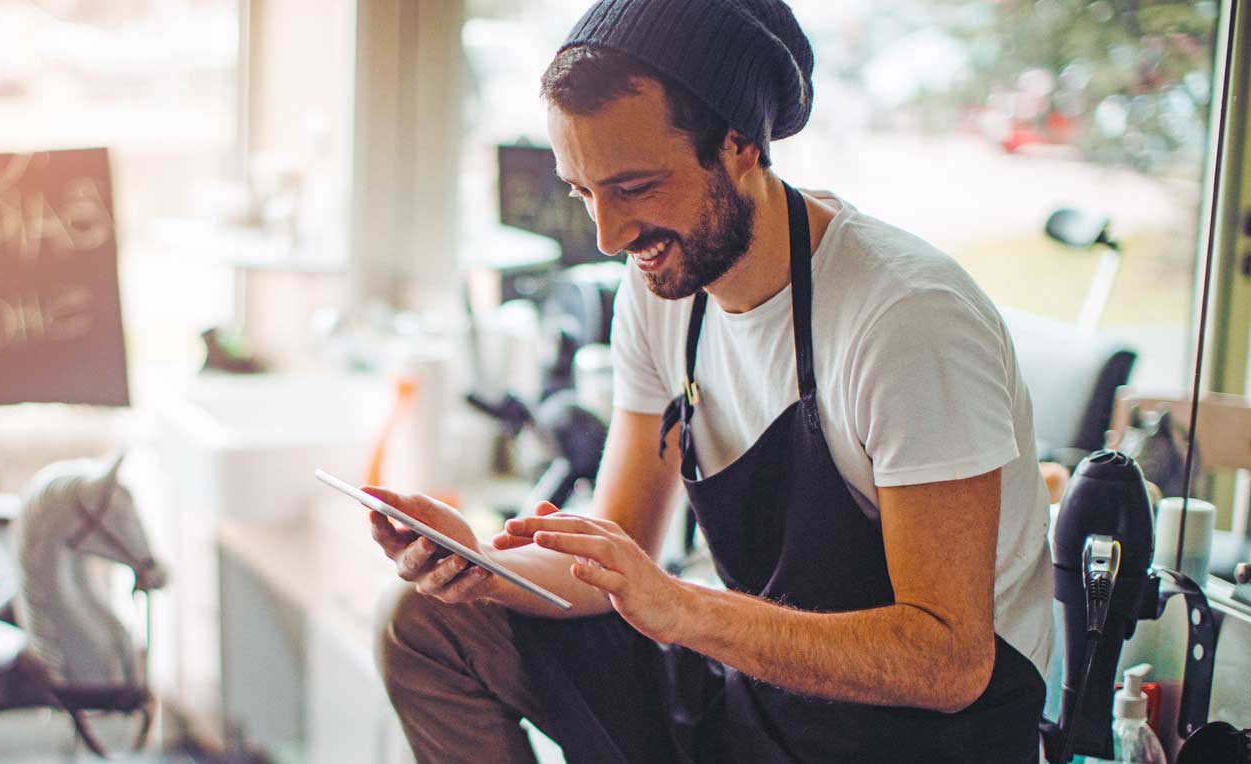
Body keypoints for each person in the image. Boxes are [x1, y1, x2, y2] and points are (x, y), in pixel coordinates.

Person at [367, 0, 1054, 761]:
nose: (609, 236)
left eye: (633, 187)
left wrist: (682, 608)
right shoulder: (663, 287)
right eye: (582, 191)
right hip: (755, 699)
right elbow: (617, 549)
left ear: (739, 144)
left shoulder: (905, 318)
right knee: (429, 624)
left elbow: (948, 662)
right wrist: (487, 571)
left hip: (917, 740)